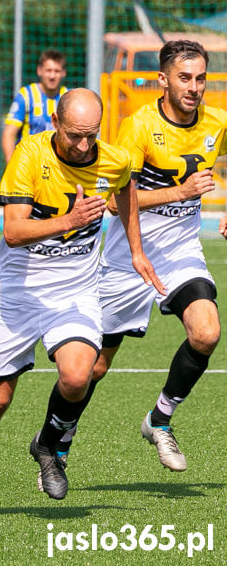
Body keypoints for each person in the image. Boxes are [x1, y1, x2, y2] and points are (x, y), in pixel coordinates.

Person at [0, 89, 162, 517]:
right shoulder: (29, 155)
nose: (84, 146)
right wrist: (71, 220)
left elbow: (127, 192)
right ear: (54, 121)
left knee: (79, 375)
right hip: (19, 291)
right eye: (74, 135)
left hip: (76, 290)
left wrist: (136, 251)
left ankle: (48, 444)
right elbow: (13, 231)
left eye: (91, 135)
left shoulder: (113, 159)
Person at [73, 40, 227, 473]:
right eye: (184, 78)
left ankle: (160, 420)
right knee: (92, 369)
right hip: (127, 258)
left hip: (180, 253)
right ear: (163, 80)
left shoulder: (216, 122)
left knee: (207, 333)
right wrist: (180, 192)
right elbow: (112, 202)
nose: (194, 87)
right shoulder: (138, 127)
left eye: (200, 78)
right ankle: (56, 440)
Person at [2, 50, 68, 162]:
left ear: (63, 73)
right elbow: (9, 134)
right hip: (28, 163)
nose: (52, 76)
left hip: (57, 167)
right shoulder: (26, 95)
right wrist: (12, 168)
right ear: (39, 71)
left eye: (57, 71)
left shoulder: (67, 97)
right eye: (49, 70)